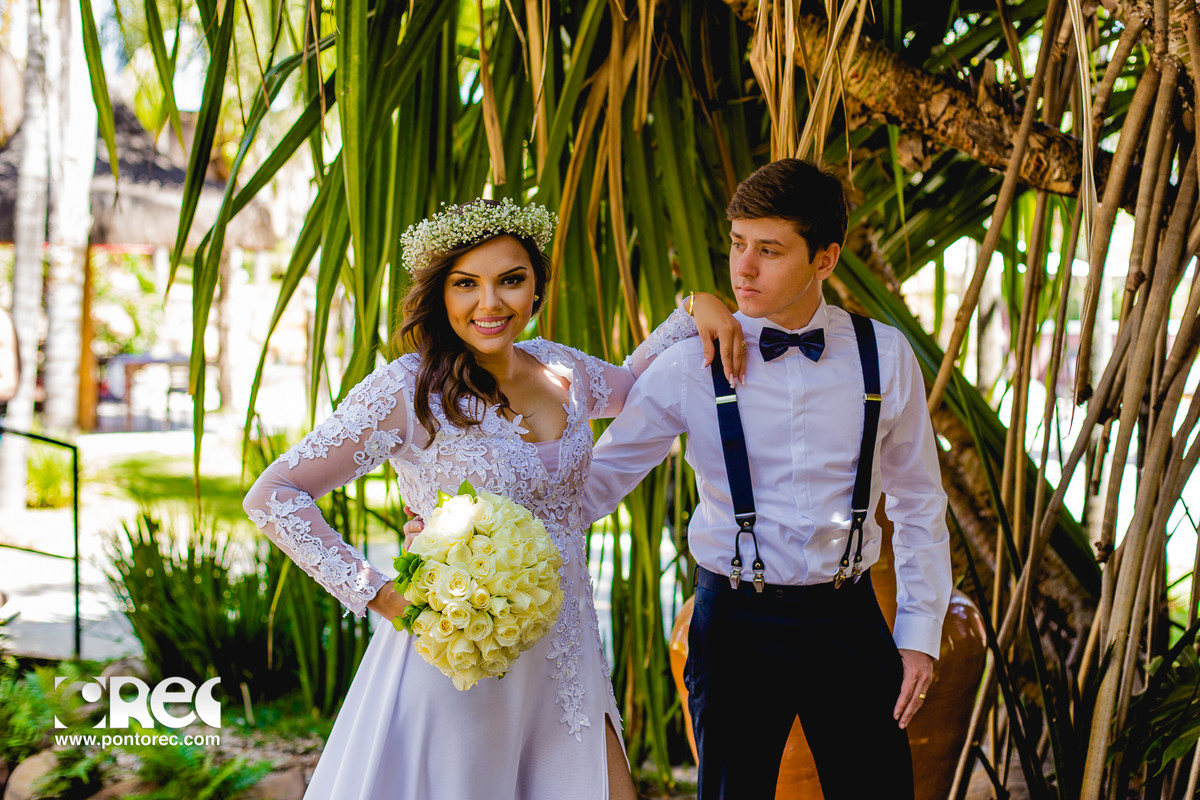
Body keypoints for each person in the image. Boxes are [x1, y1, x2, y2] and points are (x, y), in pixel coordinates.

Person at [243, 197, 745, 800]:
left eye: (511, 280)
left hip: (565, 652)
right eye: (466, 284)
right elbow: (275, 494)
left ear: (535, 289)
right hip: (458, 654)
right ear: (440, 295)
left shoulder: (561, 368)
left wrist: (695, 307)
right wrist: (381, 594)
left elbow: (639, 384)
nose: (491, 303)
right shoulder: (407, 390)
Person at [580, 159, 953, 800]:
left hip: (849, 618)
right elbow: (592, 484)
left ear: (825, 260)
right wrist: (471, 524)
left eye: (770, 250)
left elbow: (919, 500)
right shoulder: (690, 366)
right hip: (735, 624)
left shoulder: (884, 355)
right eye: (737, 244)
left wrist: (919, 635)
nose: (743, 268)